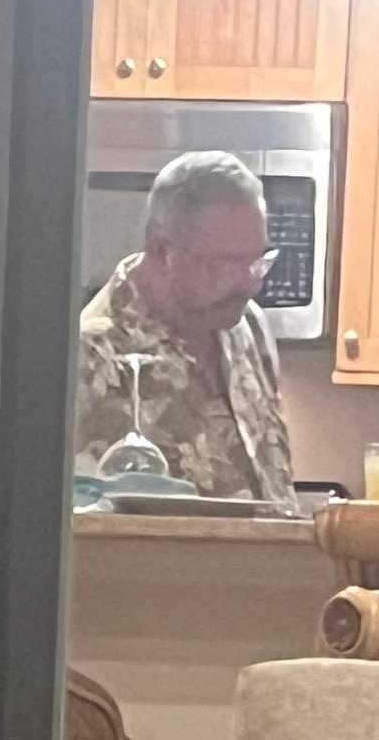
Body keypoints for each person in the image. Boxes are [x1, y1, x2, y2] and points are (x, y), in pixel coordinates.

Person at [74, 154, 297, 507]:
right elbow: (85, 520)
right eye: (226, 264)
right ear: (163, 252)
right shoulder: (92, 353)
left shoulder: (247, 323)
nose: (250, 285)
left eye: (258, 262)